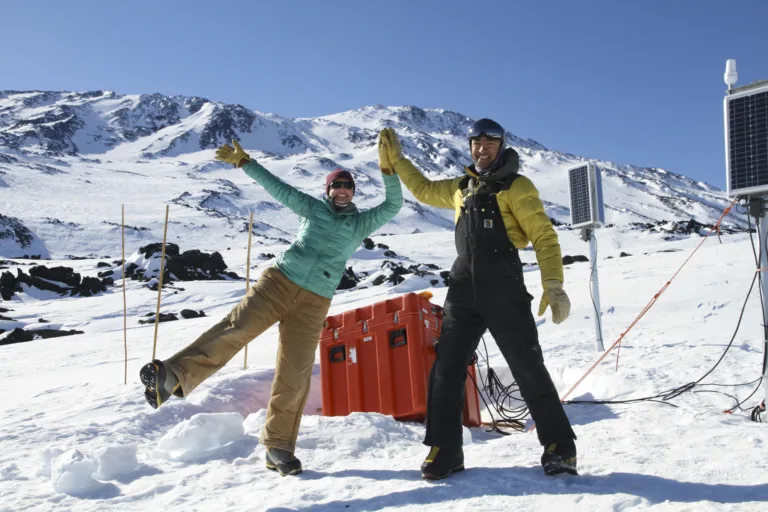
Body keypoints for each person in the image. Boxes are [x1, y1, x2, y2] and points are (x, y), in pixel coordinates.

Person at [140, 139, 402, 476]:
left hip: (314, 301)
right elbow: (279, 188)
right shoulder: (313, 208)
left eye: (347, 186)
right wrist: (245, 161)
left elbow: (393, 203)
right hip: (279, 282)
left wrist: (387, 169)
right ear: (328, 190)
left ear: (353, 192)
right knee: (236, 329)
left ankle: (278, 447)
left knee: (295, 372)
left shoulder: (361, 223)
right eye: (336, 185)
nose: (341, 190)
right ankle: (172, 376)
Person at [378, 119, 576, 479]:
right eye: (476, 142)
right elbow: (422, 189)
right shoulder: (460, 187)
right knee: (446, 368)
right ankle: (445, 450)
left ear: (501, 146)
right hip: (463, 287)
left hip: (504, 286)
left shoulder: (517, 186)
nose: (482, 148)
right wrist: (399, 160)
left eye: (490, 142)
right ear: (470, 146)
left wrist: (553, 283)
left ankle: (559, 447)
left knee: (527, 367)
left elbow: (545, 237)